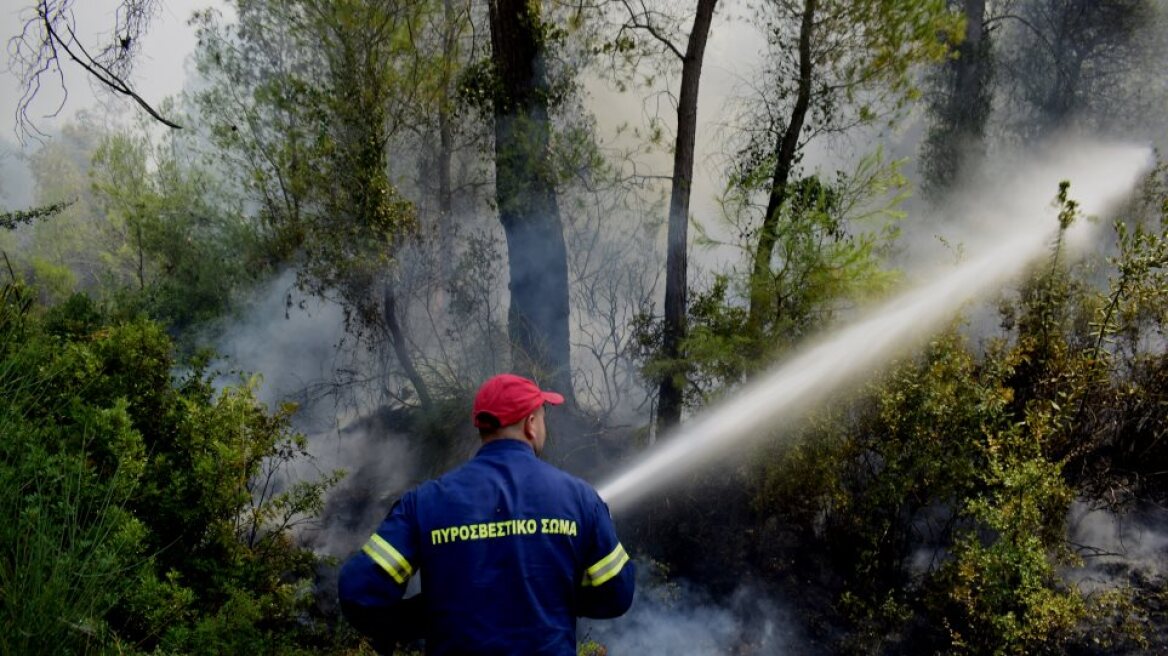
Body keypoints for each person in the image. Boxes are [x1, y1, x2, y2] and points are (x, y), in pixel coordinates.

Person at [338, 373, 635, 655]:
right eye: (543, 416)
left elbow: (358, 594)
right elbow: (617, 593)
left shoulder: (425, 503)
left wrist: (426, 615)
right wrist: (556, 597)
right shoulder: (580, 499)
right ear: (531, 424)